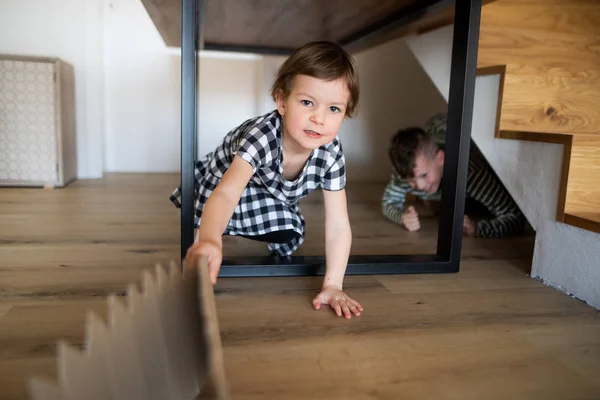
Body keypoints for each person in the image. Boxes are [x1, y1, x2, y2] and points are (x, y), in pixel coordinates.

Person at [171, 41, 363, 319]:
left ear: (345, 113)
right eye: (307, 102)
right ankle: (207, 241)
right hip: (224, 183)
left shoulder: (331, 151)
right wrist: (211, 240)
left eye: (334, 109)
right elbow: (226, 194)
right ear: (282, 101)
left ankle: (250, 224)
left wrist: (333, 285)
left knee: (289, 233)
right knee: (207, 230)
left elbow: (337, 223)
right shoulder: (261, 136)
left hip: (269, 190)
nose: (318, 118)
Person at [382, 113, 527, 238]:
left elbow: (516, 218)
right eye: (412, 180)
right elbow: (388, 203)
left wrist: (477, 228)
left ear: (440, 158)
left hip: (456, 131)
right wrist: (402, 218)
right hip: (435, 130)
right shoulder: (405, 170)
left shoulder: (468, 173)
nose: (419, 186)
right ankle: (437, 199)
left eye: (424, 175)